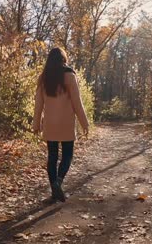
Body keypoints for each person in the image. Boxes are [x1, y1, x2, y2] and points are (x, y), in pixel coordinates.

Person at [32, 47, 89, 202]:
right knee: (67, 155)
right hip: (66, 123)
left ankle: (54, 191)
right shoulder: (70, 76)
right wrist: (85, 124)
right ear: (64, 59)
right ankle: (59, 182)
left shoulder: (43, 78)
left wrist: (36, 124)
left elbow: (38, 105)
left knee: (52, 157)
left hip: (50, 124)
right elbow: (77, 103)